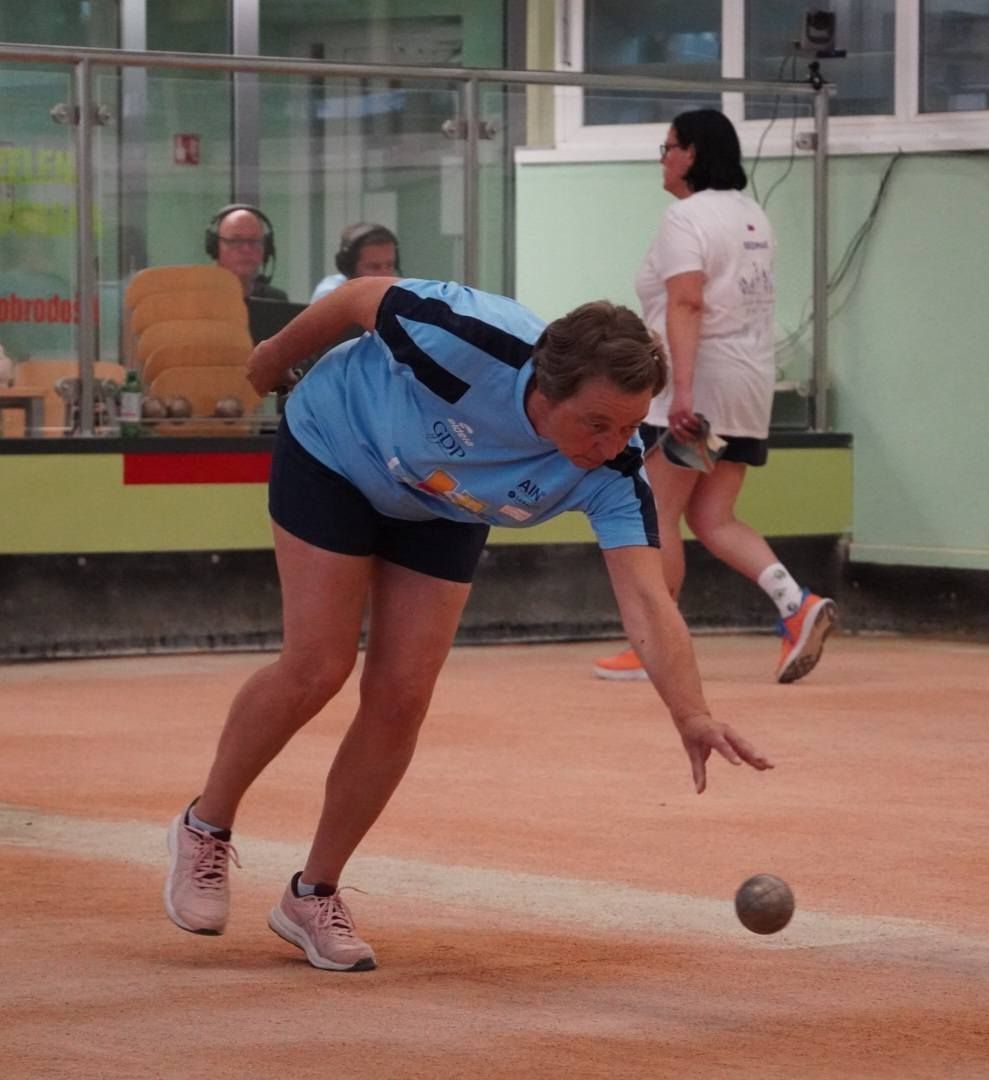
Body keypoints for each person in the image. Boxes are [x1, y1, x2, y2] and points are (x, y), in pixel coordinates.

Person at [164, 275, 774, 972]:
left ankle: (312, 894)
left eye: (631, 426)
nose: (614, 444)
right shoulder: (469, 340)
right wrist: (274, 356)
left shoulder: (613, 471)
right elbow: (361, 297)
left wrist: (691, 713)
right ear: (546, 391)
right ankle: (205, 825)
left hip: (445, 503)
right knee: (318, 666)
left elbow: (647, 598)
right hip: (338, 447)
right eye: (597, 424)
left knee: (401, 697)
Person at [593, 109, 837, 686]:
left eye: (668, 147)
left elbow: (687, 302)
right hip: (748, 382)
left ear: (693, 154)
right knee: (712, 516)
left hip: (698, 387)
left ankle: (655, 645)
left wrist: (681, 393)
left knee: (656, 512)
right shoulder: (753, 216)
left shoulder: (686, 218)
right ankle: (797, 604)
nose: (663, 158)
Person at [205, 203, 289, 301]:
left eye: (254, 241)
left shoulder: (275, 300)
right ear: (215, 248)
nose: (246, 249)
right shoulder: (194, 298)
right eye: (235, 241)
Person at [310, 222, 400, 303]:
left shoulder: (399, 292)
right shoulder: (330, 294)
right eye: (374, 267)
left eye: (389, 265)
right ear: (349, 267)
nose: (385, 275)